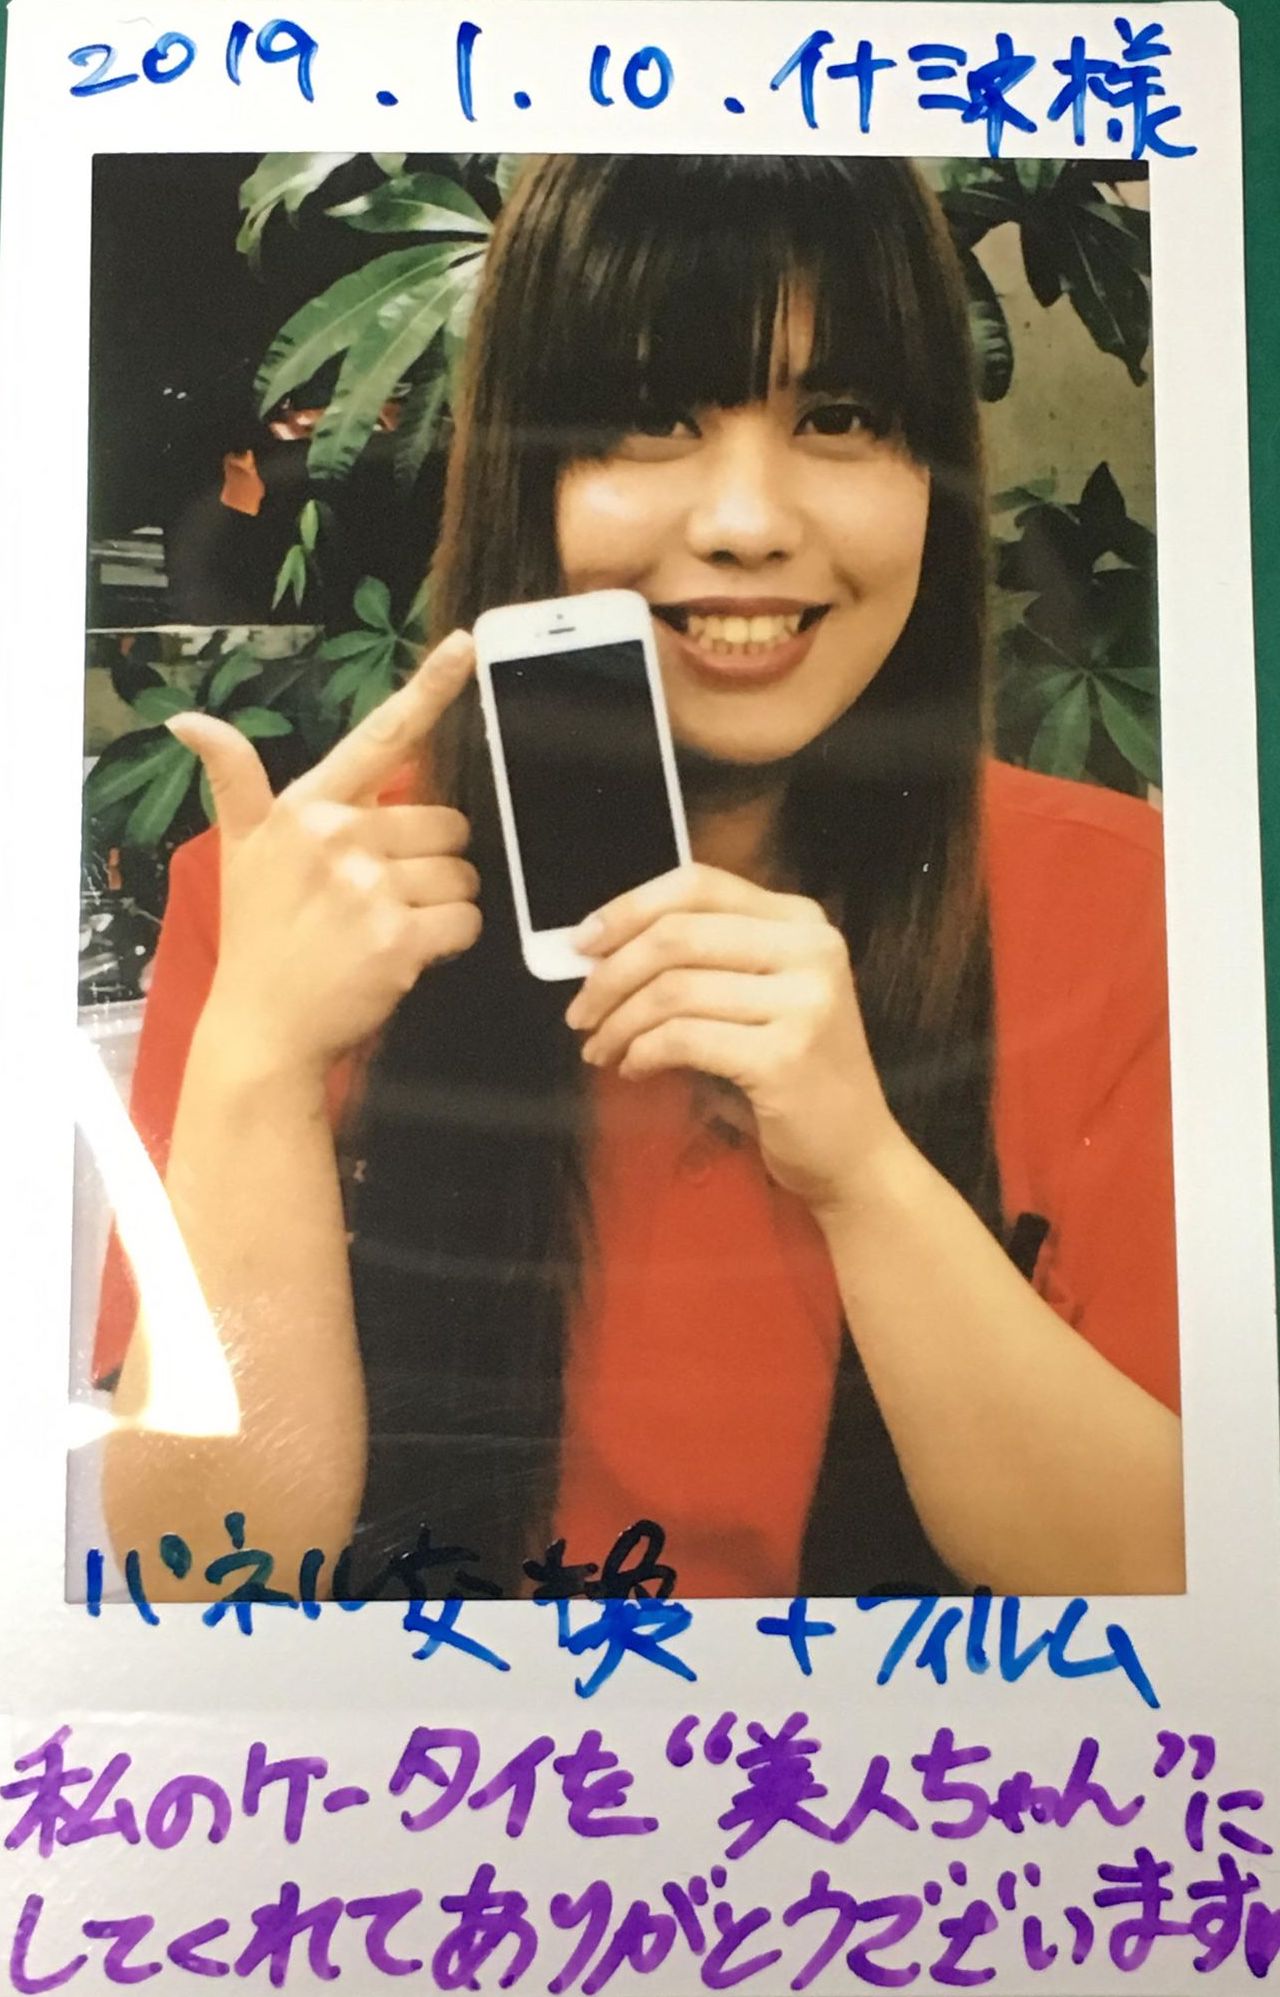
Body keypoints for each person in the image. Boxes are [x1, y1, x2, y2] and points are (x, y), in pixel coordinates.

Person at [99, 154, 1183, 1604]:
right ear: (523, 472)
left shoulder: (1126, 909)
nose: (746, 520)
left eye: (841, 418)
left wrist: (865, 1173)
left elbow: (1180, 1587)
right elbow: (202, 1583)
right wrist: (258, 1063)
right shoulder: (285, 905)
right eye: (651, 419)